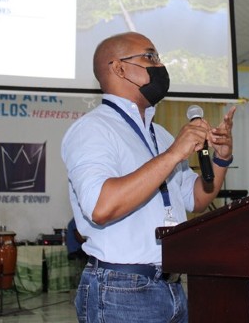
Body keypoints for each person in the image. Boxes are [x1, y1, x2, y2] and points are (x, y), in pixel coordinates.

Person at [61, 31, 236, 323]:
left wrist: (221, 157)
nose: (159, 65)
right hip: (120, 290)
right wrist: (172, 155)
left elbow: (196, 199)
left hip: (171, 286)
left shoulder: (162, 134)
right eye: (150, 57)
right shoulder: (92, 130)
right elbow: (101, 207)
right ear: (118, 68)